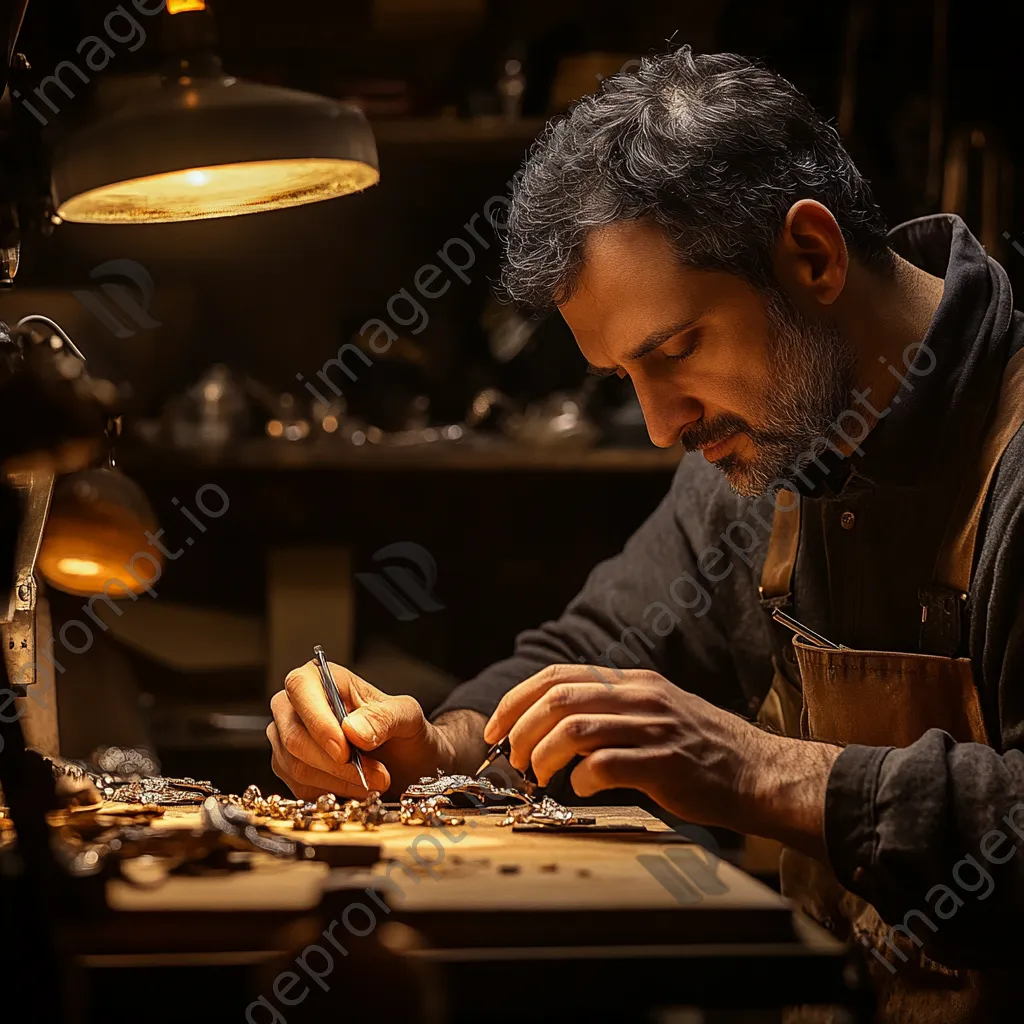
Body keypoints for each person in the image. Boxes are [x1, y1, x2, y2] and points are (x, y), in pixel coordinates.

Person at [268, 46, 1024, 1021]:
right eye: (627, 379)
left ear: (813, 256)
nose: (664, 424)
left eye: (675, 352)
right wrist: (435, 746)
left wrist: (752, 770)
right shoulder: (775, 450)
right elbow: (594, 653)